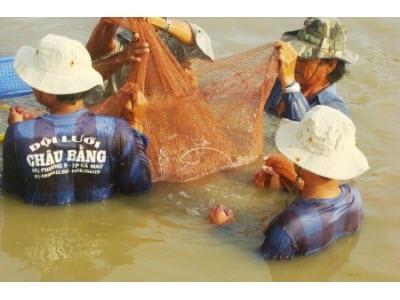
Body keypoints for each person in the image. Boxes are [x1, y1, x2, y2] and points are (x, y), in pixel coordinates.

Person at [1, 34, 151, 205]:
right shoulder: (117, 130)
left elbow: (10, 192)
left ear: (46, 89)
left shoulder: (19, 133)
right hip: (99, 226)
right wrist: (136, 124)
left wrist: (16, 133)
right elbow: (139, 189)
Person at [209, 106, 369, 260]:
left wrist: (223, 227)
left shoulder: (288, 229)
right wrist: (280, 190)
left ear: (300, 162)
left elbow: (254, 262)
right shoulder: (354, 196)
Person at [86, 17, 215, 100]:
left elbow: (200, 39)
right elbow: (84, 77)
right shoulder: (116, 45)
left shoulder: (171, 41)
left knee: (190, 80)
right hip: (116, 112)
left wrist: (163, 24)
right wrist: (121, 58)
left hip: (164, 105)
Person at [265, 17, 359, 121]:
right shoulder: (279, 82)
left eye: (303, 59)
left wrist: (290, 86)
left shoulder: (335, 113)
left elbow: (305, 132)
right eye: (294, 55)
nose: (293, 63)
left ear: (330, 65)